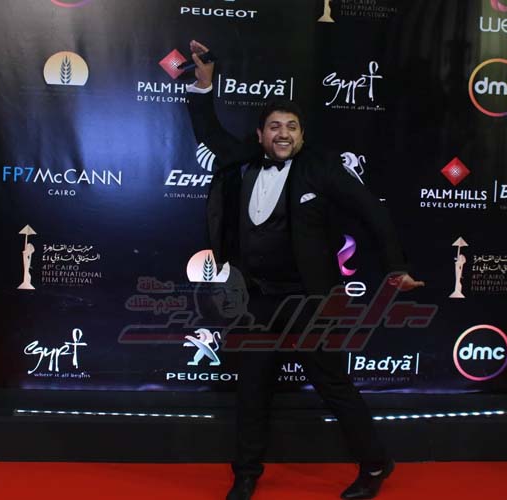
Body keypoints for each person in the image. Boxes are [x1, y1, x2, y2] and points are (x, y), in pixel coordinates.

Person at [184, 40, 424, 500]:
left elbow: (372, 212)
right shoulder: (242, 160)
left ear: (301, 135)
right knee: (252, 388)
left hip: (311, 299)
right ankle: (246, 473)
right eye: (274, 126)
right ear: (260, 135)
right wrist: (204, 84)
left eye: (291, 127)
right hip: (257, 299)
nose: (283, 133)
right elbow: (209, 134)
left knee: (333, 385)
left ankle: (375, 464)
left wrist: (395, 266)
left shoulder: (322, 169)